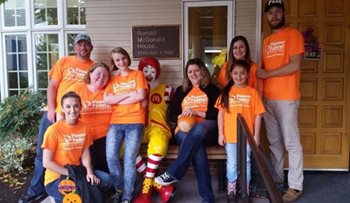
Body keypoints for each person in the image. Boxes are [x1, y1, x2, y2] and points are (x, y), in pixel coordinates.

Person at [18, 33, 94, 203]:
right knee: (42, 155)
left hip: (75, 116)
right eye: (79, 44)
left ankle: (58, 186)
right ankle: (35, 191)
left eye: (86, 44)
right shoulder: (64, 62)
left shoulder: (94, 67)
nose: (83, 47)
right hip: (55, 114)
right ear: (74, 47)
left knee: (69, 152)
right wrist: (52, 109)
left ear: (91, 47)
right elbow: (52, 86)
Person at [257, 0, 304, 202]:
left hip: (287, 98)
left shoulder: (293, 35)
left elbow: (295, 64)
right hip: (268, 99)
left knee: (291, 143)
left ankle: (295, 185)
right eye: (270, 13)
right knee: (274, 144)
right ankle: (276, 182)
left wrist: (268, 74)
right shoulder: (266, 41)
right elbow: (259, 72)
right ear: (266, 17)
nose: (274, 16)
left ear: (283, 14)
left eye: (277, 12)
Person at [155, 58, 220, 203]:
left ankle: (173, 171)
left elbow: (216, 114)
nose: (193, 74)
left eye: (196, 70)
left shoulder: (212, 89)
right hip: (183, 129)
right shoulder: (181, 90)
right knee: (197, 149)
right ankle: (207, 197)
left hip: (207, 128)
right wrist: (181, 115)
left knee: (198, 128)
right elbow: (172, 115)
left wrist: (196, 113)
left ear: (203, 71)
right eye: (190, 71)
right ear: (186, 74)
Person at [42, 91, 111, 202]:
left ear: (80, 107)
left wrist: (89, 172)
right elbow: (47, 162)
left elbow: (85, 153)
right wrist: (71, 174)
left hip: (78, 171)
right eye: (68, 106)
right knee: (77, 195)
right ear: (62, 109)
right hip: (56, 177)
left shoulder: (85, 127)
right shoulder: (53, 130)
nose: (72, 110)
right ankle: (57, 198)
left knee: (107, 180)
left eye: (76, 106)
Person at [215, 60, 265, 202]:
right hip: (230, 135)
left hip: (247, 136)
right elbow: (221, 114)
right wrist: (220, 133)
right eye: (236, 73)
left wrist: (256, 135)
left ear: (248, 75)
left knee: (246, 161)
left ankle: (245, 190)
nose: (239, 76)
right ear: (231, 74)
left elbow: (258, 115)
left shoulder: (252, 92)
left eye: (242, 73)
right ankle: (231, 191)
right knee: (232, 162)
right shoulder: (226, 92)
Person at [104, 47, 147, 203]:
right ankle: (119, 189)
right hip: (115, 122)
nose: (121, 62)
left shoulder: (138, 74)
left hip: (135, 121)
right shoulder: (113, 80)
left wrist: (119, 100)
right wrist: (130, 94)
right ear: (114, 63)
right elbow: (107, 100)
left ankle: (127, 196)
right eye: (117, 60)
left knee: (129, 159)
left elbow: (141, 95)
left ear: (127, 58)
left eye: (123, 58)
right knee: (110, 156)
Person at [133, 57, 175, 203]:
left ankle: (145, 193)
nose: (149, 73)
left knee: (158, 145)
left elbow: (176, 110)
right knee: (124, 148)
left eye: (153, 70)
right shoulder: (133, 89)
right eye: (146, 70)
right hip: (137, 126)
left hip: (158, 127)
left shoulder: (167, 90)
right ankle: (158, 185)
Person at [70, 62, 112, 173]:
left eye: (105, 76)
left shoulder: (110, 91)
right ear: (90, 74)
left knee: (104, 168)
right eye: (98, 73)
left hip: (105, 137)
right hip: (82, 136)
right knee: (86, 168)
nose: (101, 77)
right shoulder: (78, 89)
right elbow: (65, 111)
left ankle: (105, 186)